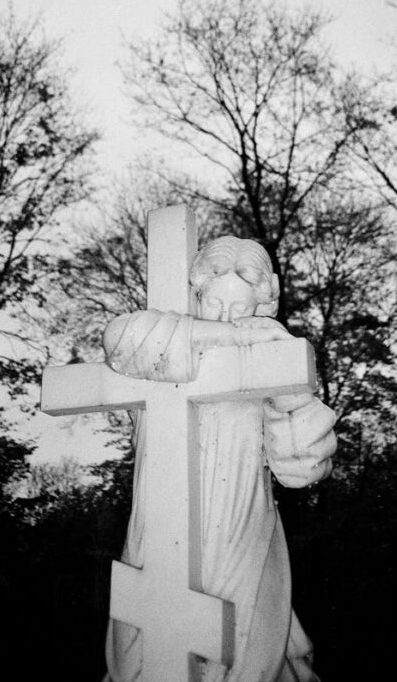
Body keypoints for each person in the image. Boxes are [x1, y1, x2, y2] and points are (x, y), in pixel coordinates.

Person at [102, 236, 337, 682]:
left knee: (241, 657)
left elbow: (302, 468)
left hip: (238, 533)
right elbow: (120, 340)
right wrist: (233, 335)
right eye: (214, 303)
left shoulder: (266, 370)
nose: (229, 319)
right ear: (195, 296)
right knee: (142, 659)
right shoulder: (165, 345)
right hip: (160, 533)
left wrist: (293, 393)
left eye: (242, 312)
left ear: (264, 307)